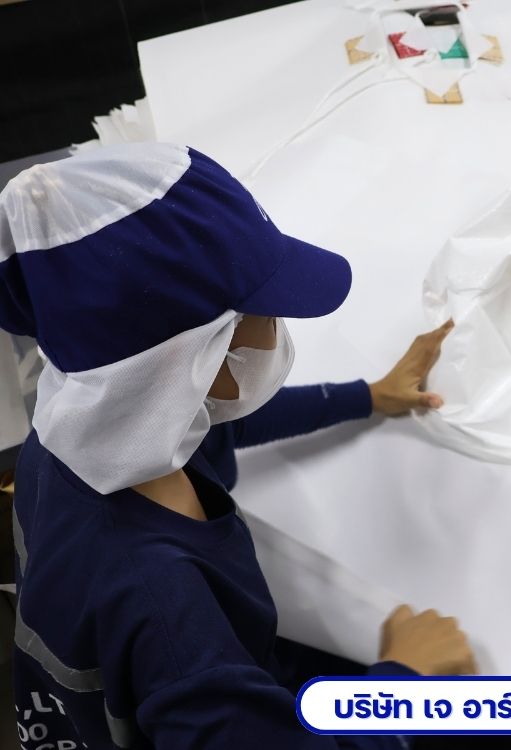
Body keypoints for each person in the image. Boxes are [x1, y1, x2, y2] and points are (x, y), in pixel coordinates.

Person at [0, 142, 476, 749]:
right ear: (193, 356)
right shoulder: (165, 607)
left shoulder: (73, 440)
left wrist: (369, 396)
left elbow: (216, 422)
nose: (281, 326)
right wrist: (404, 682)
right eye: (268, 312)